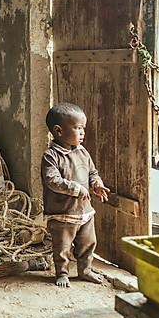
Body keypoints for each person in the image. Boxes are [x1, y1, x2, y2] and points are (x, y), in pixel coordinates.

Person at [41, 103, 110, 288]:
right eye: (78, 128)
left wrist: (97, 183)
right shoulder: (51, 156)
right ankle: (62, 273)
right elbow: (52, 180)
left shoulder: (82, 151)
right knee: (62, 247)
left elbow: (92, 172)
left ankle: (85, 270)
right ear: (58, 131)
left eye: (83, 128)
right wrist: (76, 189)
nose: (82, 133)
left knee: (88, 243)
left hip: (85, 211)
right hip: (63, 213)